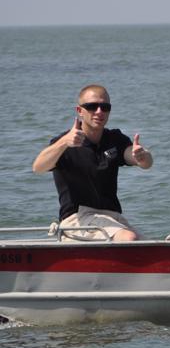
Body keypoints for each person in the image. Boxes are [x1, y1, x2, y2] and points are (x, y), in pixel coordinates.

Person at [32, 84, 153, 241]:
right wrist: (63, 143)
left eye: (105, 107)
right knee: (129, 238)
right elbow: (38, 167)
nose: (99, 112)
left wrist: (142, 156)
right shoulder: (64, 143)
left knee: (150, 248)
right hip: (77, 219)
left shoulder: (115, 138)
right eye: (92, 106)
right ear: (79, 111)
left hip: (112, 217)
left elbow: (142, 160)